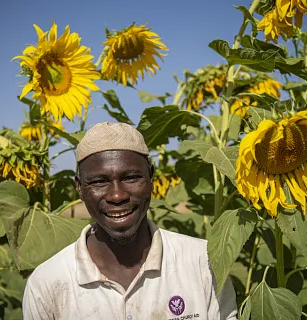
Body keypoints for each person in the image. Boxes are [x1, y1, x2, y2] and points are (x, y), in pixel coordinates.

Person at [23, 122, 238, 320]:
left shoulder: (203, 264)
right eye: (99, 181)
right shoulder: (47, 284)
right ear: (79, 187)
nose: (117, 196)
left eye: (131, 178)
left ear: (151, 177)